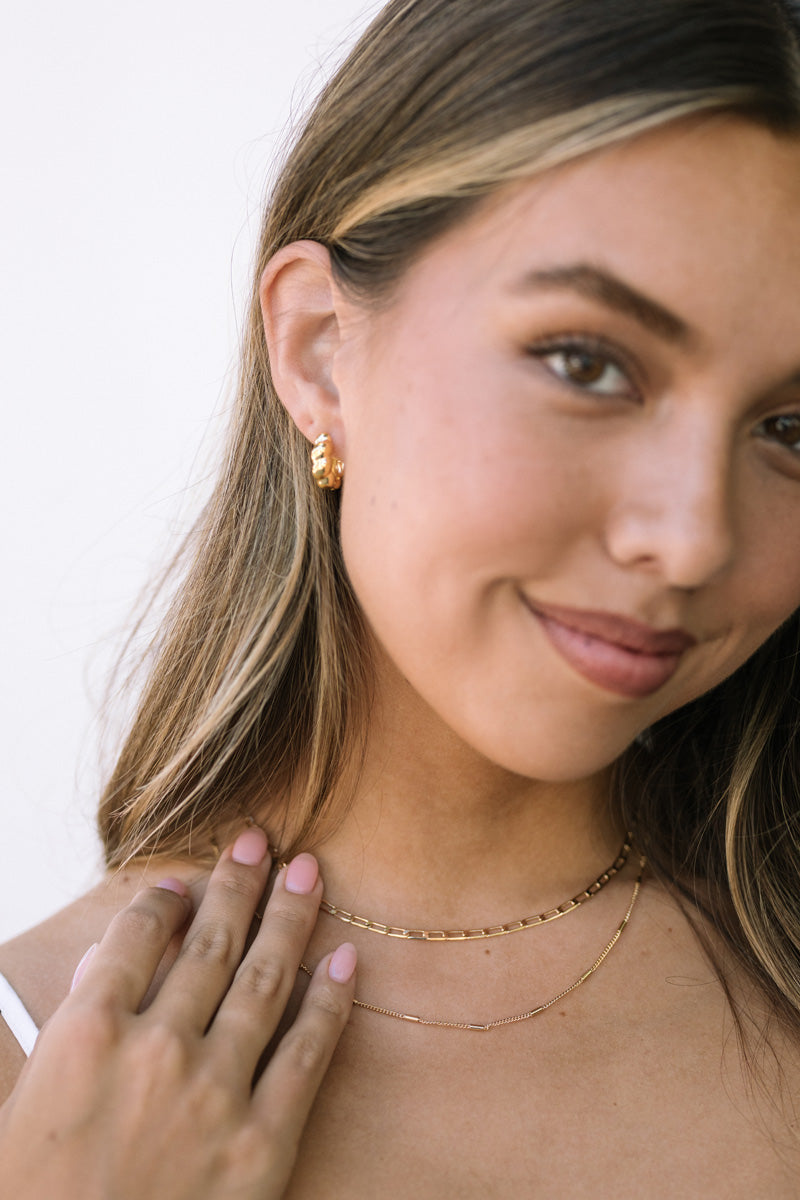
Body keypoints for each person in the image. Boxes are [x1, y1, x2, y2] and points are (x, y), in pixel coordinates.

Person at [1, 0, 800, 1193]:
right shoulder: (37, 1075)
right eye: (586, 364)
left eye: (789, 427)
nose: (687, 540)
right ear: (320, 346)